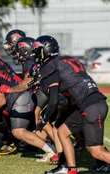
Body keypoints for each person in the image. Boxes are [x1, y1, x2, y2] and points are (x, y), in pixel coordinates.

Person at [34, 35, 110, 174]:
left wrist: (44, 118)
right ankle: (70, 169)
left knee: (96, 151)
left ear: (45, 50)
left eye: (37, 50)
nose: (36, 53)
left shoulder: (51, 64)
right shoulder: (67, 59)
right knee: (61, 131)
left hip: (90, 106)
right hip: (90, 103)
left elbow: (54, 99)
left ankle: (98, 164)